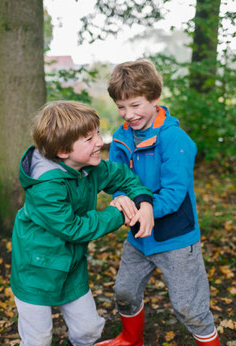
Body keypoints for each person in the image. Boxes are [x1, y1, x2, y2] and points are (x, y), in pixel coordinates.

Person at [96, 59, 220, 346]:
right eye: (121, 107)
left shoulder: (175, 139)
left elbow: (174, 193)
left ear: (155, 99)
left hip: (176, 239)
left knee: (189, 307)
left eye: (136, 105)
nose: (128, 114)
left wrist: (146, 207)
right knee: (125, 293)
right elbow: (118, 182)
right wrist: (123, 202)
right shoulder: (120, 140)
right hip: (139, 239)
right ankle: (130, 339)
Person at [10, 100, 154, 346]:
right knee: (39, 339)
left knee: (88, 330)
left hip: (72, 268)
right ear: (63, 151)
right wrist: (118, 213)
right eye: (89, 139)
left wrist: (142, 201)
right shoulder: (46, 187)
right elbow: (73, 228)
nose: (99, 141)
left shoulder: (89, 166)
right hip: (36, 271)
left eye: (97, 133)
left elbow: (122, 175)